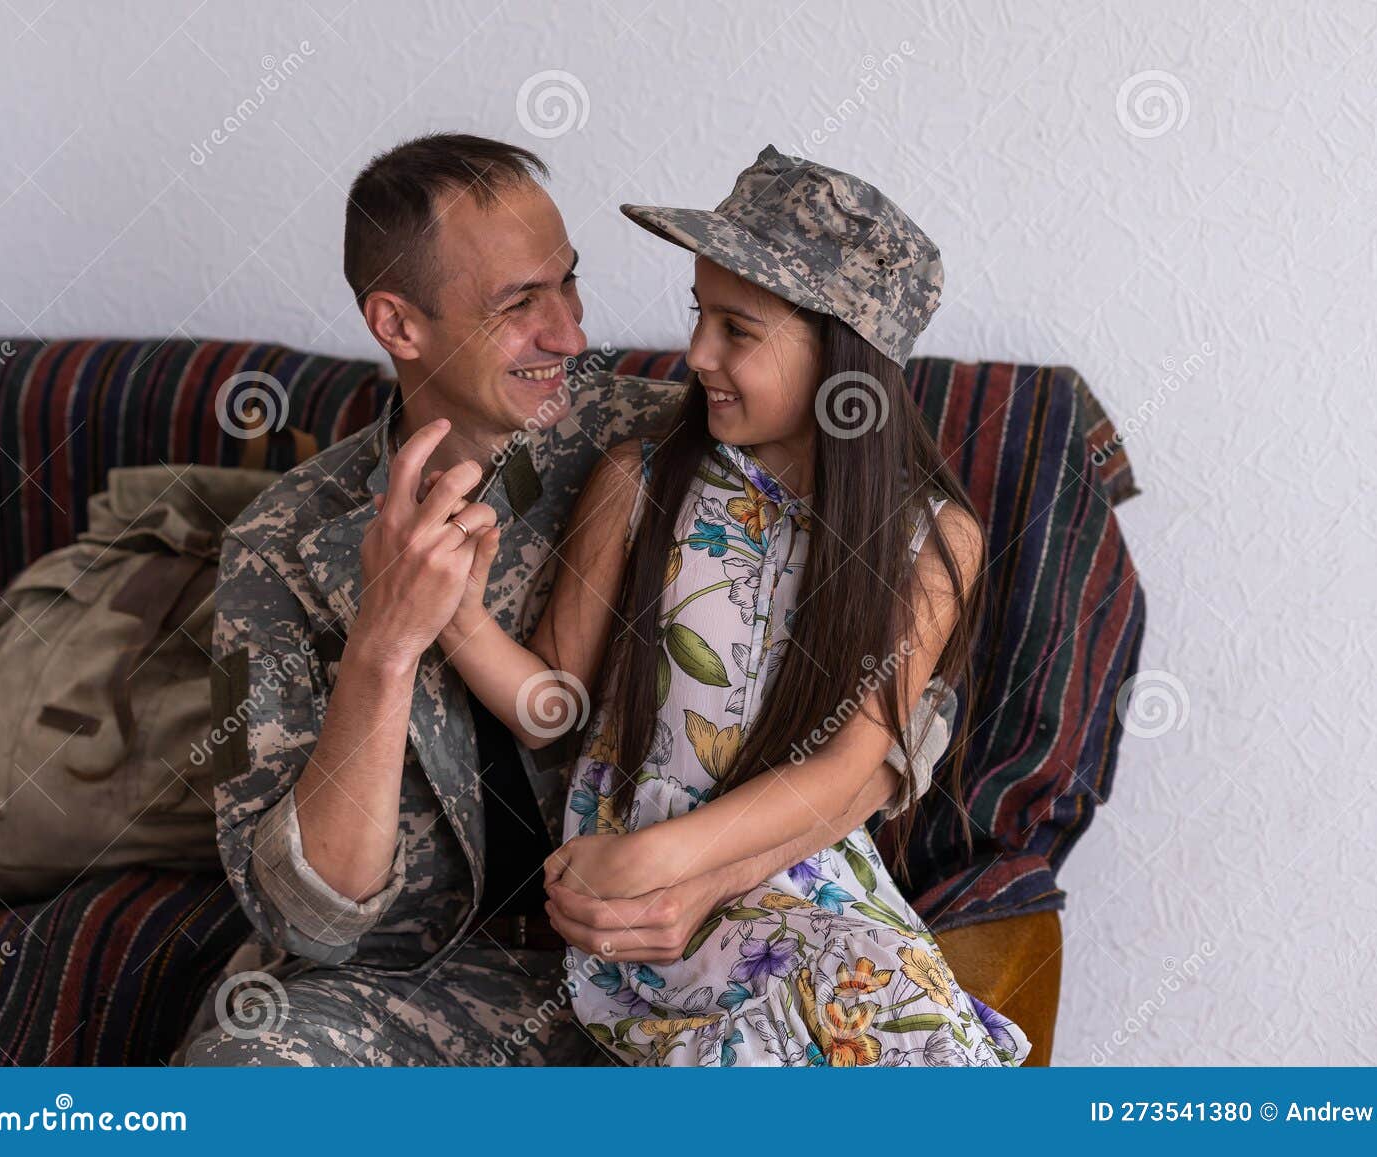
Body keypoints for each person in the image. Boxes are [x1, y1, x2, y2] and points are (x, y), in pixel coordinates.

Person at [177, 133, 954, 1066]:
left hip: (698, 944)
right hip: (415, 992)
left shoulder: (678, 443)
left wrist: (708, 875)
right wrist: (384, 647)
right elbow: (306, 915)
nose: (572, 335)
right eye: (519, 304)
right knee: (249, 1067)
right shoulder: (279, 547)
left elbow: (903, 719)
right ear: (398, 323)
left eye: (568, 285)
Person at [436, 145, 1032, 1066]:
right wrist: (458, 613)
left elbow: (844, 771)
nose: (698, 353)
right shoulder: (641, 482)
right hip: (634, 908)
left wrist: (671, 858)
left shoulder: (932, 540)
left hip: (800, 878)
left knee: (902, 1030)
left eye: (737, 329)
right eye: (699, 316)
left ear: (841, 356)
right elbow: (553, 706)